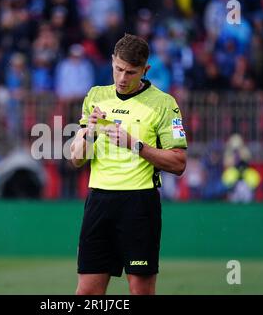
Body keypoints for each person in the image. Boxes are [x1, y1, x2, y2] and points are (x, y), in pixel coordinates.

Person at [70, 34, 187, 295]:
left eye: (131, 72)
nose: (122, 78)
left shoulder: (163, 104)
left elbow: (179, 163)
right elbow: (76, 158)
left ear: (146, 70)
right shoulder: (95, 96)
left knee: (141, 291)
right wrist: (89, 131)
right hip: (98, 202)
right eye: (118, 69)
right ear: (112, 62)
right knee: (87, 293)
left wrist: (135, 145)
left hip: (139, 205)